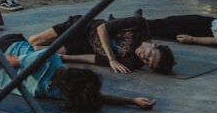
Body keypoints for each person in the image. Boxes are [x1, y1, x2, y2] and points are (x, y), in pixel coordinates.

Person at [0, 32, 156, 113]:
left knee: (9, 43)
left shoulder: (48, 59)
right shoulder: (61, 93)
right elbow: (100, 97)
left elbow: (6, 60)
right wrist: (132, 101)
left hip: (8, 54)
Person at [28, 11, 175, 75]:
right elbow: (101, 28)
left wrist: (66, 58)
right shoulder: (139, 24)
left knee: (35, 50)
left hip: (81, 46)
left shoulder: (133, 63)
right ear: (154, 45)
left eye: (147, 63)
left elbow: (94, 59)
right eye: (150, 55)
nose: (144, 58)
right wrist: (112, 59)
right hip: (83, 27)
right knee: (33, 40)